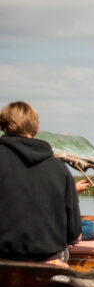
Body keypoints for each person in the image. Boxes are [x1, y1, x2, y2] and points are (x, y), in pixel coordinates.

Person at [0, 101, 82, 262]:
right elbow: (73, 232)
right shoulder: (59, 168)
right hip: (47, 259)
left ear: (3, 126)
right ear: (36, 128)